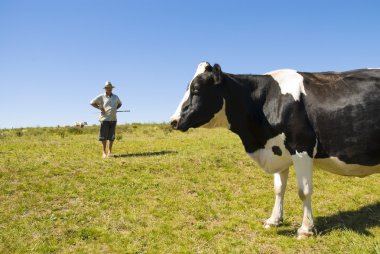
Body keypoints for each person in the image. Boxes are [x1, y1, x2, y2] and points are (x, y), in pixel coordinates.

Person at [90, 81, 122, 158]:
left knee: (111, 137)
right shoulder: (101, 96)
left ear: (112, 88)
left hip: (113, 119)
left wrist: (115, 109)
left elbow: (120, 104)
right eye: (107, 88)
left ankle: (109, 152)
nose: (109, 89)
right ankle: (104, 152)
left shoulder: (116, 97)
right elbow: (91, 102)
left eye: (110, 87)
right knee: (103, 136)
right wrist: (100, 108)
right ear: (105, 89)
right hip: (105, 119)